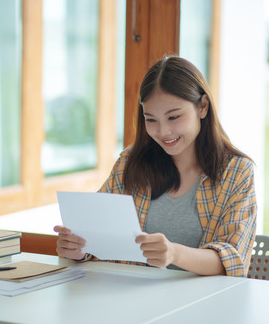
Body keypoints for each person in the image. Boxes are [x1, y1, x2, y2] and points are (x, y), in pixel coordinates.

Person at [54, 56, 257, 277]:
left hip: (202, 303)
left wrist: (174, 253)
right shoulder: (129, 163)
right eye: (151, 119)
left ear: (203, 107)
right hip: (133, 300)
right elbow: (97, 239)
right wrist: (78, 249)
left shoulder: (236, 172)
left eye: (174, 117)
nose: (163, 132)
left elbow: (233, 261)